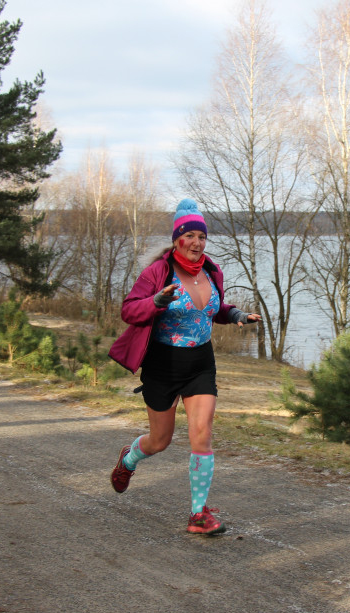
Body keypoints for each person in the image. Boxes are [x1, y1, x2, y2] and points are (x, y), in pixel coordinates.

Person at [107, 198, 261, 536]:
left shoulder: (211, 271)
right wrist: (155, 301)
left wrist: (235, 315)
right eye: (189, 235)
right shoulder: (158, 272)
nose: (196, 243)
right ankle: (129, 459)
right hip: (163, 365)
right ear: (177, 238)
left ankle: (198, 515)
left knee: (202, 435)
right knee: (159, 441)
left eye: (202, 237)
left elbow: (214, 309)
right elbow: (130, 310)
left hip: (200, 364)